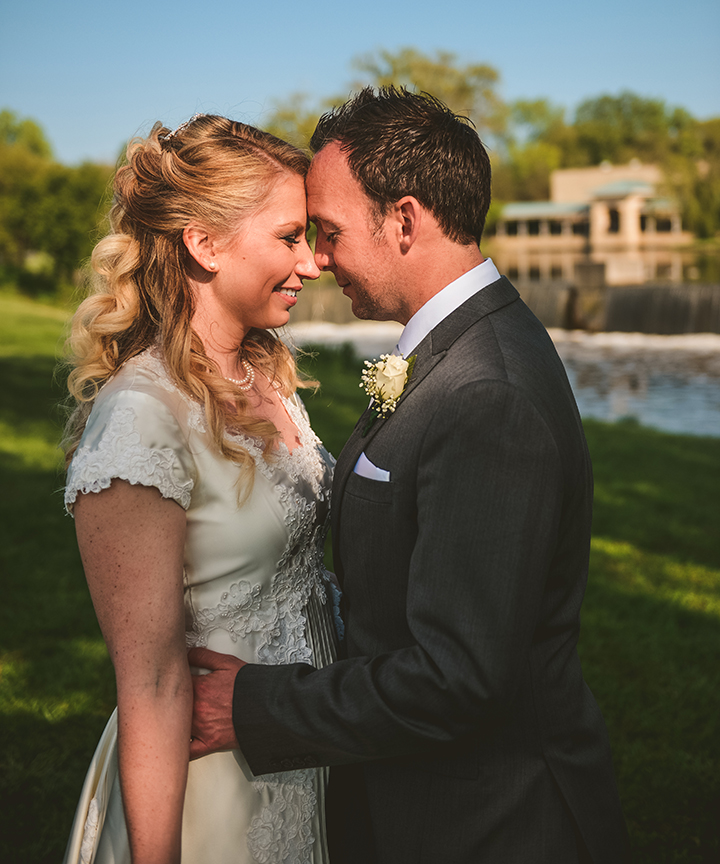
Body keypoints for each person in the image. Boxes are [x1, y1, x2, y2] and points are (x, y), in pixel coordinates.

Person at [189, 87, 630, 863]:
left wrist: (252, 705)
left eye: (329, 232)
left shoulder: (485, 391)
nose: (317, 261)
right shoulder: (459, 352)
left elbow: (457, 679)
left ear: (404, 219)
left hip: (491, 822)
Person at [62, 114, 338, 864]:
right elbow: (149, 682)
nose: (312, 263)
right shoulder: (139, 419)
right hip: (208, 787)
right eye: (289, 237)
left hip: (295, 751)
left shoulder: (267, 377)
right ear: (204, 243)